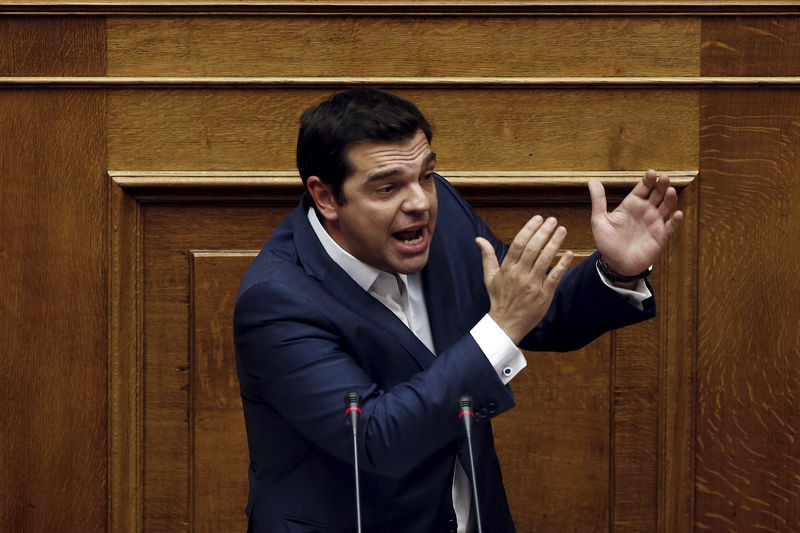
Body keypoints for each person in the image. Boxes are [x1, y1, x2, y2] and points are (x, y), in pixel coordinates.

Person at [233, 88, 683, 533]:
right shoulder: (277, 300)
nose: (420, 203)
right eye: (387, 187)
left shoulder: (439, 214)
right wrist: (500, 326)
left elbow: (532, 307)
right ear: (326, 197)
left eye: (426, 176)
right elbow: (375, 439)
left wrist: (615, 270)